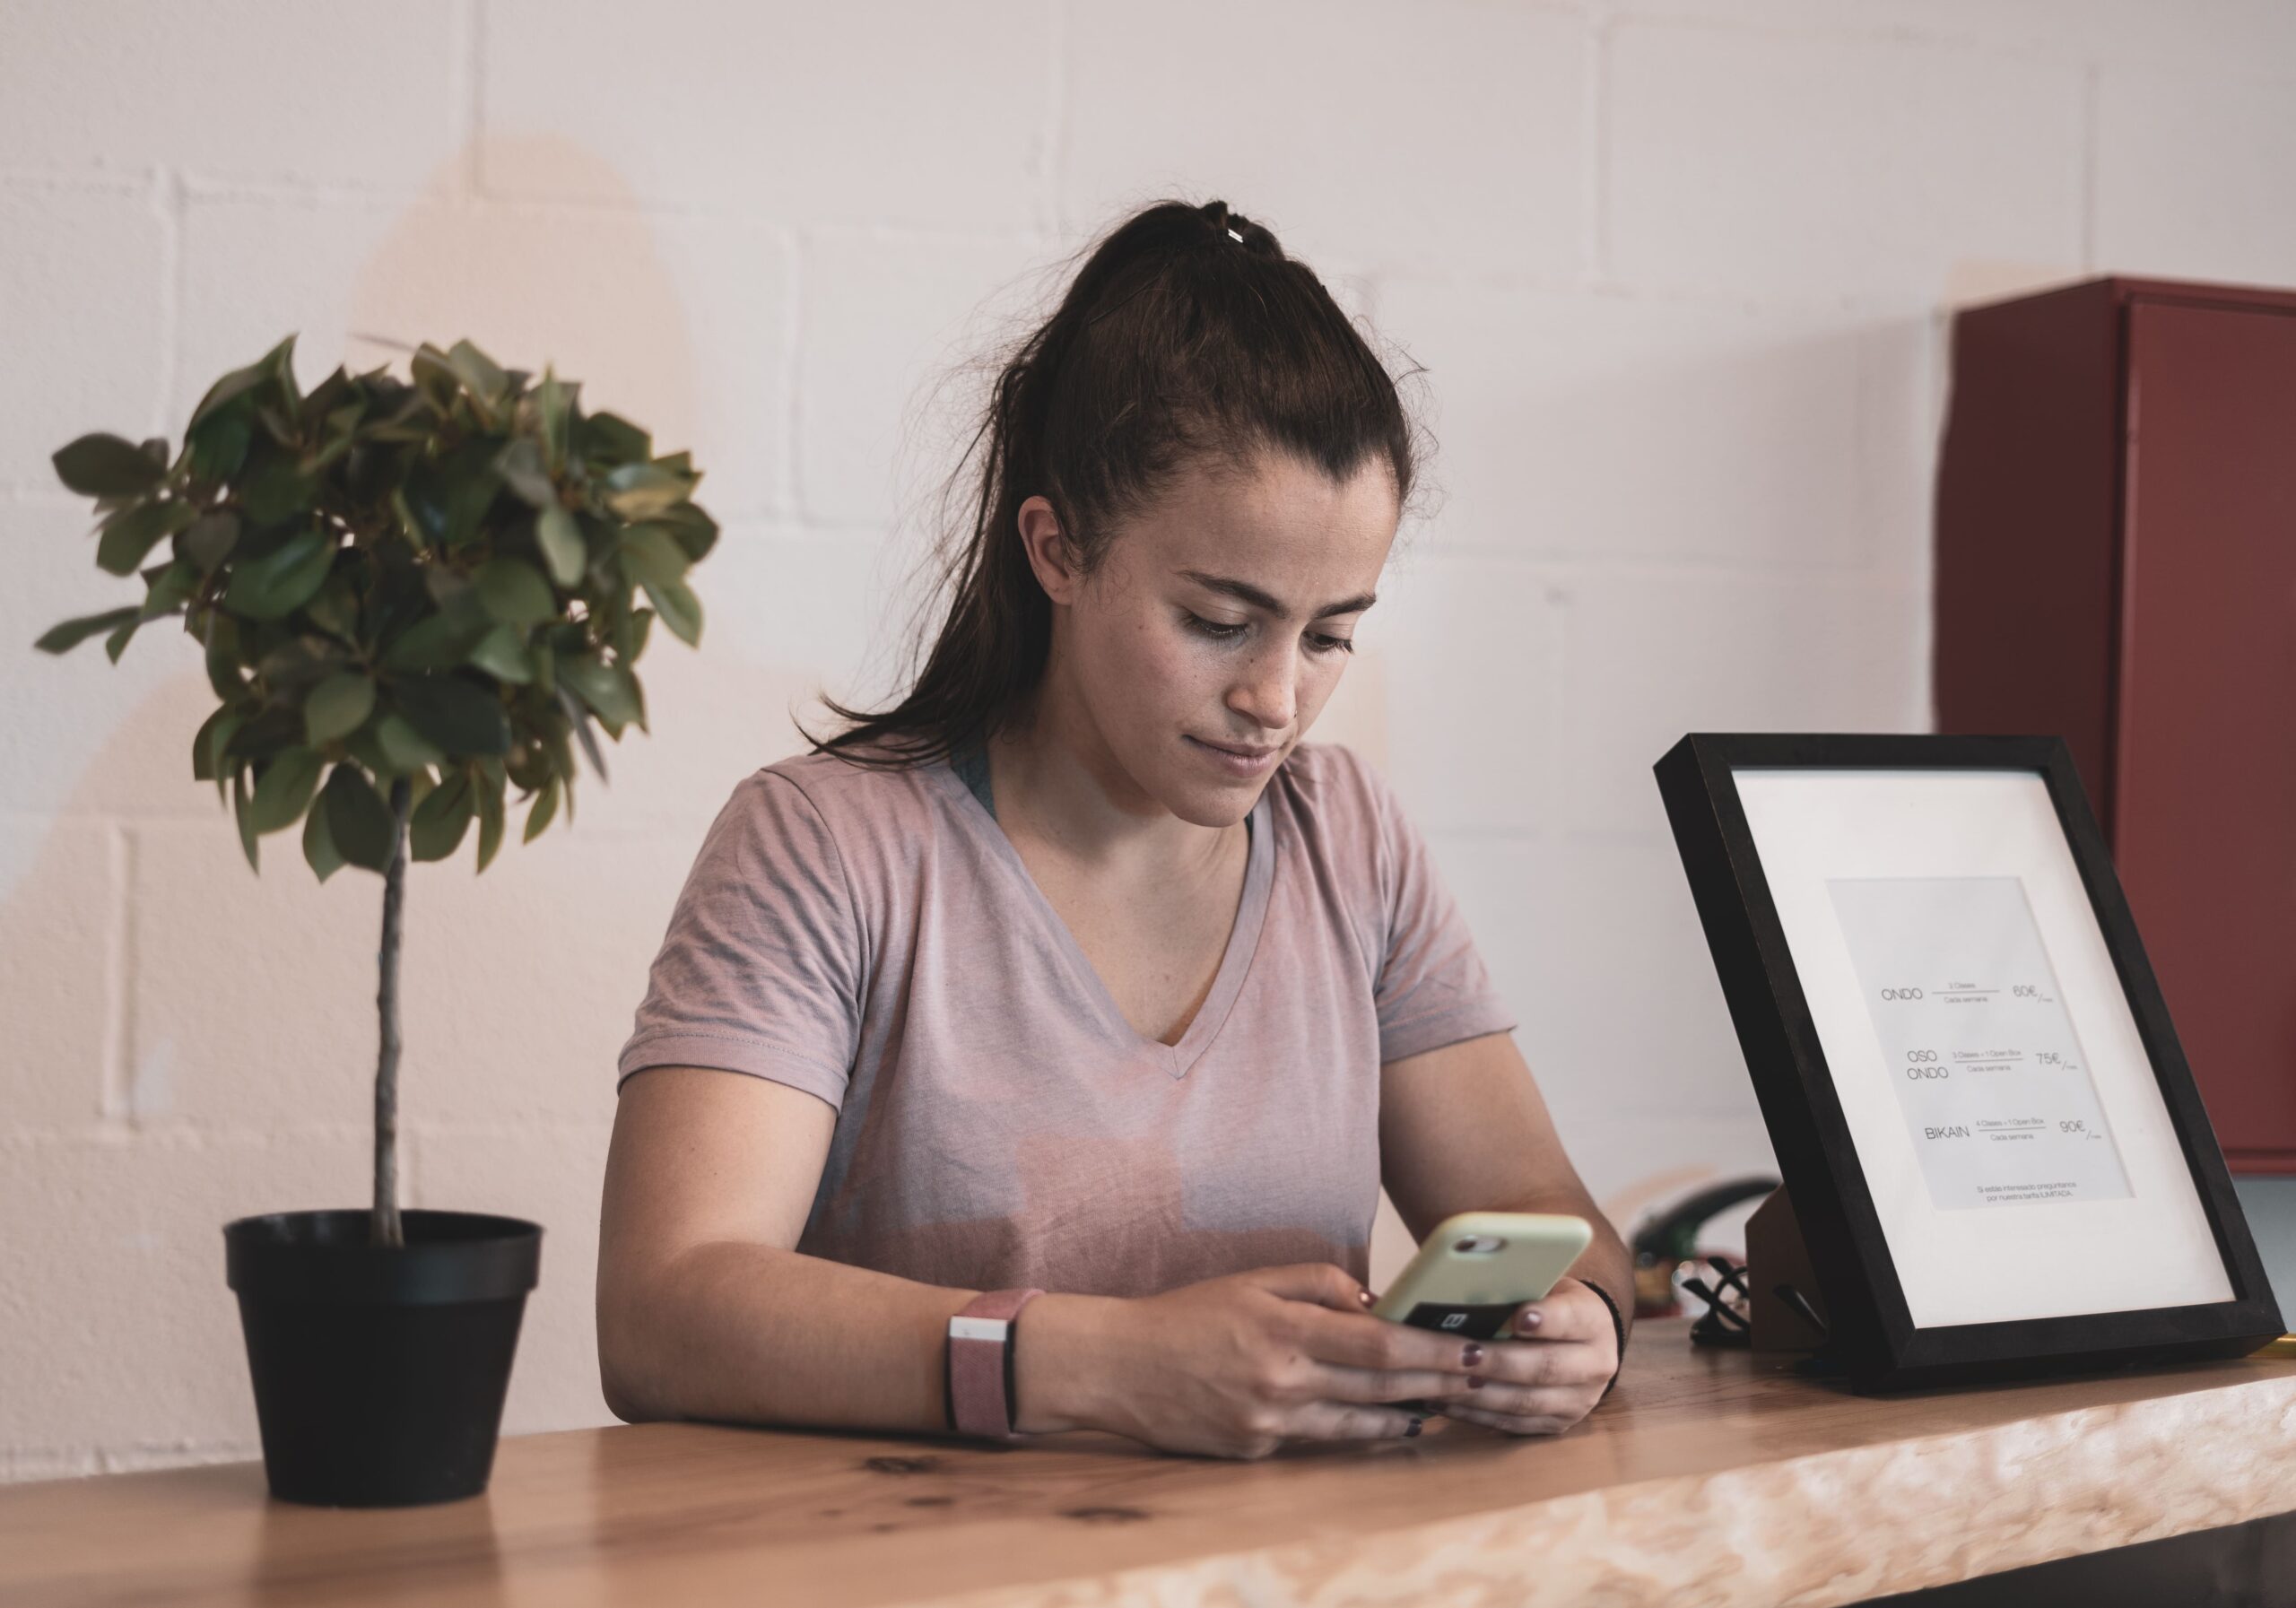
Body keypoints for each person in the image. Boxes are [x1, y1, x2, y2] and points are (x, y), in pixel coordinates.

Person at [597, 197, 1632, 1461]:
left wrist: (1578, 1323)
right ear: (1059, 549)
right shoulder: (825, 844)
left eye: (1331, 634)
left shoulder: (1349, 837)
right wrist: (1113, 1362)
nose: (1276, 698)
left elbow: (1554, 1224)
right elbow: (663, 1312)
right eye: (1217, 619)